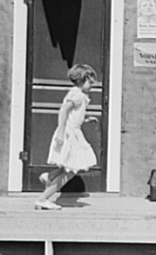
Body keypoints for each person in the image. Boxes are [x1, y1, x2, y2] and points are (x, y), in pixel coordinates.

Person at [35, 64, 98, 210]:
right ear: (83, 79)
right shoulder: (76, 94)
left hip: (73, 131)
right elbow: (63, 111)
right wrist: (61, 132)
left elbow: (73, 115)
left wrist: (86, 120)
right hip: (70, 134)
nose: (92, 86)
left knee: (67, 168)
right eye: (90, 82)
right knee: (70, 171)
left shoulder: (80, 95)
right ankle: (42, 199)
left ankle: (50, 177)